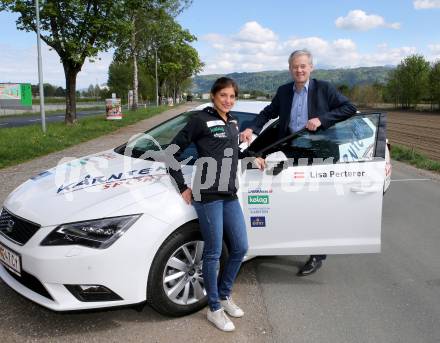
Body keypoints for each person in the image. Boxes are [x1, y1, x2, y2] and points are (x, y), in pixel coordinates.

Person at [240, 49, 357, 277]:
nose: (299, 70)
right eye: (295, 66)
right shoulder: (284, 91)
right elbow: (268, 112)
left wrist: (322, 119)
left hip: (318, 152)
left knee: (316, 203)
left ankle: (317, 253)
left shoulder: (325, 89)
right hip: (291, 150)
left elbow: (349, 108)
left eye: (303, 66)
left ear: (311, 68)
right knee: (289, 198)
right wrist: (251, 128)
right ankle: (285, 240)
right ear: (290, 68)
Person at [167, 77, 248, 332]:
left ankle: (224, 295)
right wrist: (182, 186)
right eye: (223, 95)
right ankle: (214, 309)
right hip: (207, 194)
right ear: (213, 95)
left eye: (232, 96)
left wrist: (254, 156)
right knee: (213, 251)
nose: (228, 100)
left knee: (240, 247)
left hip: (229, 193)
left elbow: (234, 152)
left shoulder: (233, 121)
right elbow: (171, 152)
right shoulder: (200, 120)